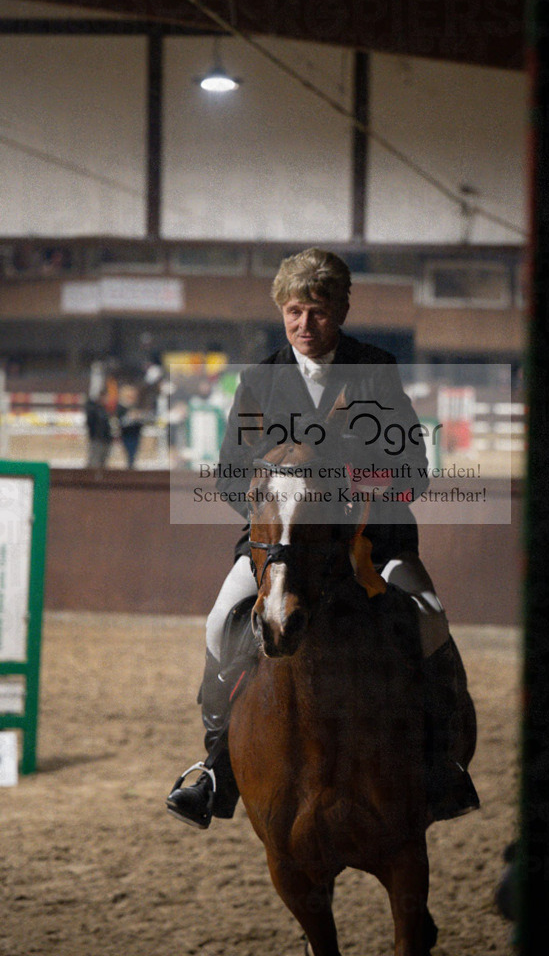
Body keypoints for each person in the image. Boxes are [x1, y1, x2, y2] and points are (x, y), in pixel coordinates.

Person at [166, 248, 479, 828]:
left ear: (341, 309)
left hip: (372, 544)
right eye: (293, 312)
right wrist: (269, 487)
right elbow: (231, 475)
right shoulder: (260, 379)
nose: (304, 326)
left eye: (316, 311)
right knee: (218, 622)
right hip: (280, 545)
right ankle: (215, 769)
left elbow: (413, 468)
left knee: (430, 617)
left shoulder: (374, 369)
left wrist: (341, 477)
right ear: (281, 314)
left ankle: (442, 764)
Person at [84, 389, 113, 468]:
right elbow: (91, 423)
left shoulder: (104, 410)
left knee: (102, 462)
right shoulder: (94, 409)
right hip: (97, 439)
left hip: (105, 439)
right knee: (94, 462)